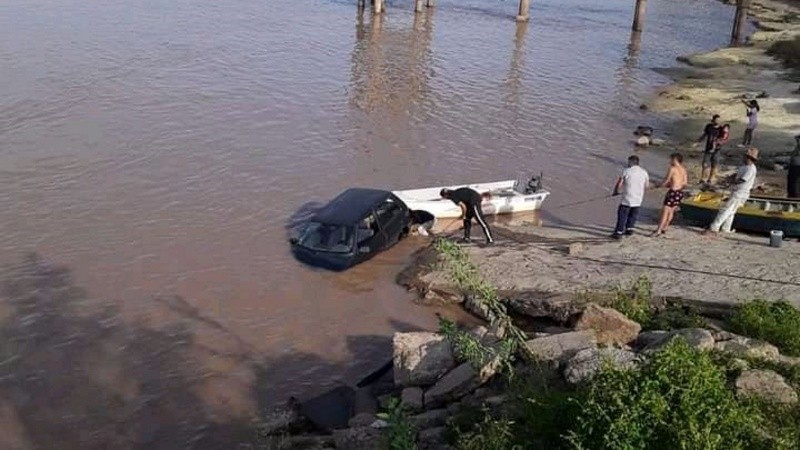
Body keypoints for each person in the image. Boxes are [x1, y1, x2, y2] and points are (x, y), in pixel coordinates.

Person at [706, 148, 759, 235]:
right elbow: (736, 175)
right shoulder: (744, 166)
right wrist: (727, 178)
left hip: (741, 192)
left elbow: (742, 180)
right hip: (737, 191)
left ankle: (714, 227)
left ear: (749, 158)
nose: (743, 158)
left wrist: (731, 182)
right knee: (731, 211)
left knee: (726, 209)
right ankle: (726, 228)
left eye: (745, 156)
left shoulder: (751, 169)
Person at [611, 155, 650, 239]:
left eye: (628, 162)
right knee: (633, 214)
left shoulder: (626, 171)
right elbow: (646, 186)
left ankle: (618, 232)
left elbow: (619, 183)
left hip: (627, 198)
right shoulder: (644, 172)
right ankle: (629, 229)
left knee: (622, 215)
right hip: (638, 198)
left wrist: (615, 192)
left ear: (631, 162)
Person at [652, 153, 688, 236]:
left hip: (673, 192)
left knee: (665, 211)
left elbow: (666, 180)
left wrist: (657, 185)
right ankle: (665, 227)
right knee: (671, 211)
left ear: (675, 160)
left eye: (671, 159)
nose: (670, 161)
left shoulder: (672, 169)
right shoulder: (683, 169)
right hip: (679, 192)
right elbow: (685, 182)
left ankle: (658, 230)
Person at [698, 114, 721, 184]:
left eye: (718, 120)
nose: (717, 121)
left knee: (713, 164)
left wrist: (718, 143)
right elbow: (705, 134)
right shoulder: (709, 126)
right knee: (704, 164)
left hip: (717, 149)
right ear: (713, 120)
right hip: (708, 148)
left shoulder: (721, 129)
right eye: (716, 120)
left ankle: (710, 179)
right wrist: (699, 140)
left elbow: (724, 138)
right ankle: (702, 178)